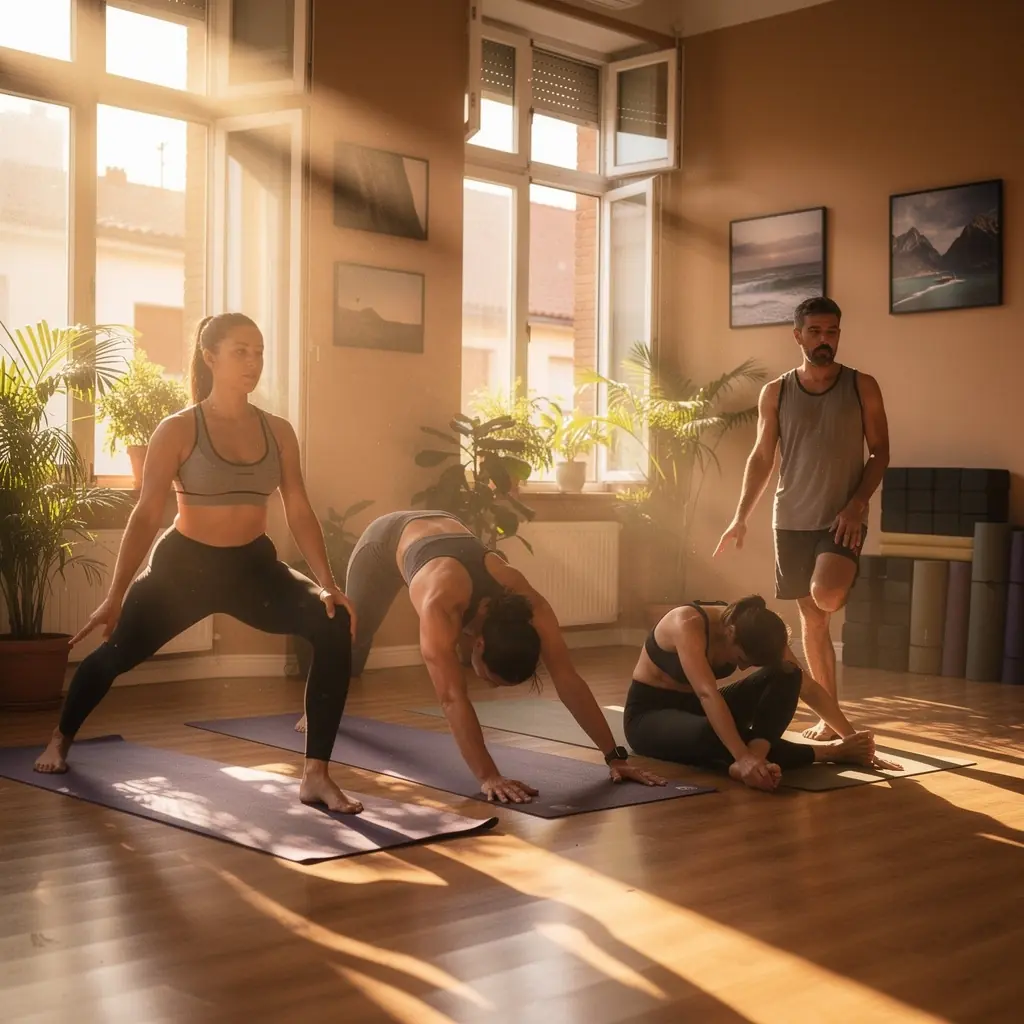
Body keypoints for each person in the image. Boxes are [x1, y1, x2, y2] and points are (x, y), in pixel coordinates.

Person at [33, 314, 364, 814]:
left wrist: (327, 584)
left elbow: (297, 506)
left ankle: (315, 774)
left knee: (332, 623)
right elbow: (146, 515)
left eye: (258, 352)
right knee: (114, 654)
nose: (252, 362)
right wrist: (116, 593)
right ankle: (60, 738)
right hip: (183, 571)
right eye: (240, 352)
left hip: (253, 568)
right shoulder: (179, 428)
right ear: (209, 357)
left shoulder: (278, 431)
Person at [296, 509, 666, 803]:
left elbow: (568, 678)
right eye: (489, 678)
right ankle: (315, 707)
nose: (484, 684)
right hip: (384, 541)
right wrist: (489, 775)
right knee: (351, 637)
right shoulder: (440, 605)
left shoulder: (529, 602)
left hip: (442, 535)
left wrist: (615, 756)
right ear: (479, 644)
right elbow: (452, 697)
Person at [714, 296, 890, 740]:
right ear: (798, 336)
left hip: (841, 519)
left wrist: (857, 504)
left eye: (831, 332)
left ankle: (842, 578)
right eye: (815, 332)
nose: (824, 340)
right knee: (813, 622)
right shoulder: (775, 391)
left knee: (826, 596)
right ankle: (829, 721)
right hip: (790, 519)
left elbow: (881, 451)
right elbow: (761, 457)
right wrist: (740, 518)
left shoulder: (861, 385)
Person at [623, 597, 902, 791]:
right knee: (714, 733)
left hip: (698, 710)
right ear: (730, 632)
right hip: (649, 718)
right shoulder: (687, 623)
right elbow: (708, 694)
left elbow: (807, 687)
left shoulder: (757, 627)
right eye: (742, 658)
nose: (743, 667)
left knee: (788, 673)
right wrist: (741, 756)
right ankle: (826, 753)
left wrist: (851, 738)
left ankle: (756, 756)